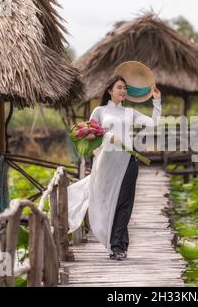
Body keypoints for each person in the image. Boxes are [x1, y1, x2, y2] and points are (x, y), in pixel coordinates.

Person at [67, 74, 162, 261]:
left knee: (125, 205)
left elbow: (154, 124)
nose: (123, 91)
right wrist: (106, 137)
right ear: (110, 90)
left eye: (125, 88)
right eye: (119, 87)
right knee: (106, 202)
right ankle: (112, 241)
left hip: (128, 161)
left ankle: (119, 246)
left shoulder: (130, 113)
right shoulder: (100, 111)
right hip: (107, 163)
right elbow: (88, 137)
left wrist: (157, 101)